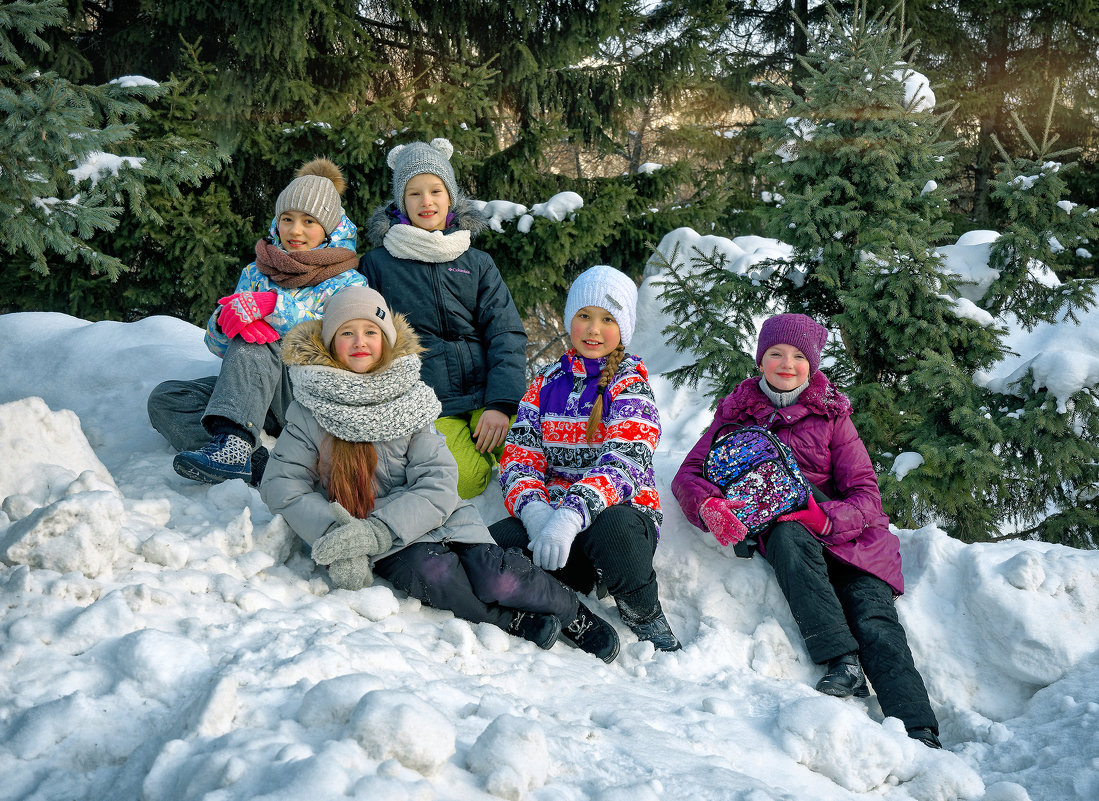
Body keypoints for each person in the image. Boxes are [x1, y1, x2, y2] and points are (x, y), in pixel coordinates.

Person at [259, 286, 620, 662]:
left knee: (497, 575)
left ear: (385, 340)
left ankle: (571, 613)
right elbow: (281, 483)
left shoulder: (410, 399)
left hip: (440, 517)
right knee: (438, 576)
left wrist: (381, 528)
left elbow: (438, 480)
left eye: (370, 332)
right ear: (330, 342)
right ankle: (514, 622)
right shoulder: (309, 408)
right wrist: (342, 533)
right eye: (347, 332)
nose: (359, 342)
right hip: (384, 537)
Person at [671, 313, 941, 748]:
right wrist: (709, 507)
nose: (786, 363)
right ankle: (842, 662)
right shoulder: (737, 415)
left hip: (854, 543)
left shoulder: (833, 416)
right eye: (776, 352)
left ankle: (919, 729)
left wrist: (827, 519)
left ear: (812, 365)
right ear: (760, 360)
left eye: (799, 356)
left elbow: (867, 496)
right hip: (790, 535)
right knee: (786, 533)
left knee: (874, 620)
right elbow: (688, 474)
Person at [489, 265, 682, 652]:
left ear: (623, 327)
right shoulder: (545, 383)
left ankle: (643, 612)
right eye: (584, 316)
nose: (594, 329)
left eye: (607, 319)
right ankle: (566, 604)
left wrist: (572, 514)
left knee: (612, 530)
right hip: (558, 528)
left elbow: (625, 460)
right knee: (493, 547)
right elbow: (518, 459)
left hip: (617, 522)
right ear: (569, 320)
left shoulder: (630, 382)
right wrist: (537, 514)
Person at [148, 158, 367, 485]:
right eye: (287, 219)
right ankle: (252, 461)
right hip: (252, 397)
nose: (295, 230)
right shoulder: (255, 272)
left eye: (309, 221)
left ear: (329, 228)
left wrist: (273, 308)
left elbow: (340, 348)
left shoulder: (350, 282)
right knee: (167, 400)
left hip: (306, 397)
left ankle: (234, 445)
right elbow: (222, 350)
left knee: (257, 339)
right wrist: (224, 322)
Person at [357, 138, 527, 499]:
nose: (426, 201)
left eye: (435, 190)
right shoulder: (378, 264)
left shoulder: (477, 262)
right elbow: (371, 341)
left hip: (487, 394)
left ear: (451, 197)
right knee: (461, 481)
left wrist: (500, 404)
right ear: (401, 201)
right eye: (414, 193)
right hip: (432, 402)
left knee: (536, 455)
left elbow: (505, 334)